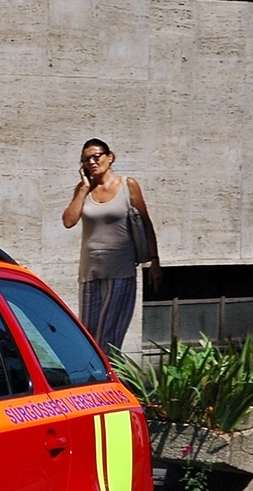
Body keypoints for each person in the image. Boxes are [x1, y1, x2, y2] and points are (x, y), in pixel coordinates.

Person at [62, 138, 161, 356]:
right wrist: (83, 189)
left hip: (120, 271)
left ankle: (109, 375)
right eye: (86, 159)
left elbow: (146, 223)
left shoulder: (128, 185)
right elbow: (69, 221)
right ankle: (92, 375)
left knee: (108, 337)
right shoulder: (84, 189)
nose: (92, 162)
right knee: (88, 336)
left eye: (96, 156)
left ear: (110, 157)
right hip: (90, 273)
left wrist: (154, 261)